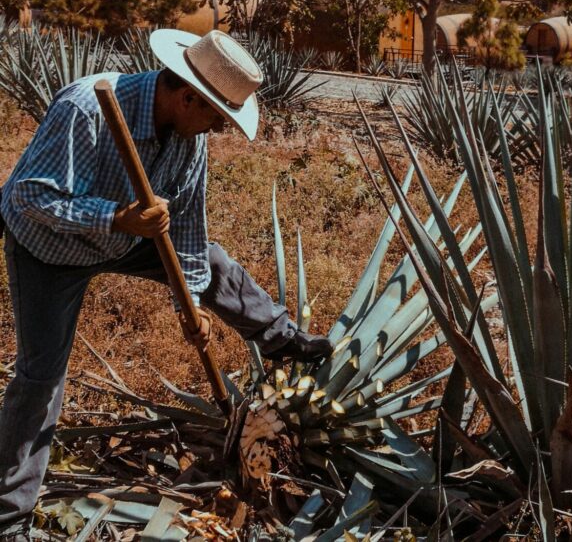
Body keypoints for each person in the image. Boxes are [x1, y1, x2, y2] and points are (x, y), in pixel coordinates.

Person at [0, 29, 332, 538]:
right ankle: (10, 513)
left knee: (216, 265)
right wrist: (116, 217)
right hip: (50, 251)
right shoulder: (87, 107)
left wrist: (190, 303)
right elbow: (27, 198)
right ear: (186, 96)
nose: (219, 128)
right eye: (217, 116)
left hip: (129, 237)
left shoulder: (188, 136)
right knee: (41, 377)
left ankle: (282, 341)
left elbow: (190, 233)